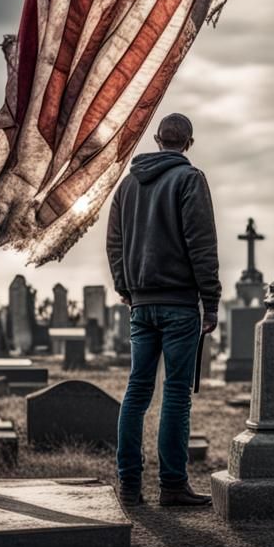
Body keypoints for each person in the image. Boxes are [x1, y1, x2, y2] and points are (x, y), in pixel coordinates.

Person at [107, 112, 221, 507]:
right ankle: (172, 486)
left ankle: (130, 486)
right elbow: (201, 245)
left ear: (157, 139)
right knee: (175, 393)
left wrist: (125, 288)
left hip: (142, 305)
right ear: (188, 143)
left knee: (136, 391)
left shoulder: (127, 186)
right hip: (179, 306)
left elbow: (115, 243)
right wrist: (211, 303)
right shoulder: (190, 180)